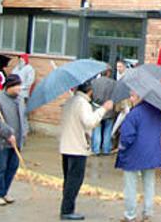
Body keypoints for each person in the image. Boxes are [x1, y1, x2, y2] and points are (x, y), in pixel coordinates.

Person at [59, 80, 113, 220]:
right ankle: (67, 210)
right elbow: (89, 122)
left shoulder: (70, 101)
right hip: (77, 147)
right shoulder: (83, 104)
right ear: (89, 91)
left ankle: (66, 207)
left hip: (66, 146)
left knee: (68, 178)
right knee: (74, 180)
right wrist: (103, 109)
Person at [116, 90, 161, 222]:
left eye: (133, 96)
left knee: (130, 186)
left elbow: (126, 137)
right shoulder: (158, 112)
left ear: (140, 97)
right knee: (149, 184)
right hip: (152, 153)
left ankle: (130, 215)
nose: (131, 99)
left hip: (133, 155)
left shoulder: (133, 114)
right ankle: (148, 213)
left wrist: (121, 147)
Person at [0, 74, 28, 206]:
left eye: (19, 85)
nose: (19, 88)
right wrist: (8, 133)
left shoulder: (20, 100)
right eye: (16, 85)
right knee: (1, 167)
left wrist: (24, 133)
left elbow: (24, 117)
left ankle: (4, 191)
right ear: (9, 86)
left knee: (12, 167)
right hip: (2, 142)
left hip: (17, 141)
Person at [91, 69, 116, 156]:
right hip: (109, 110)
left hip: (96, 108)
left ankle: (96, 149)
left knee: (97, 130)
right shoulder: (114, 83)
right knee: (108, 131)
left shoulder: (94, 82)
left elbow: (91, 95)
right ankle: (106, 149)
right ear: (108, 73)